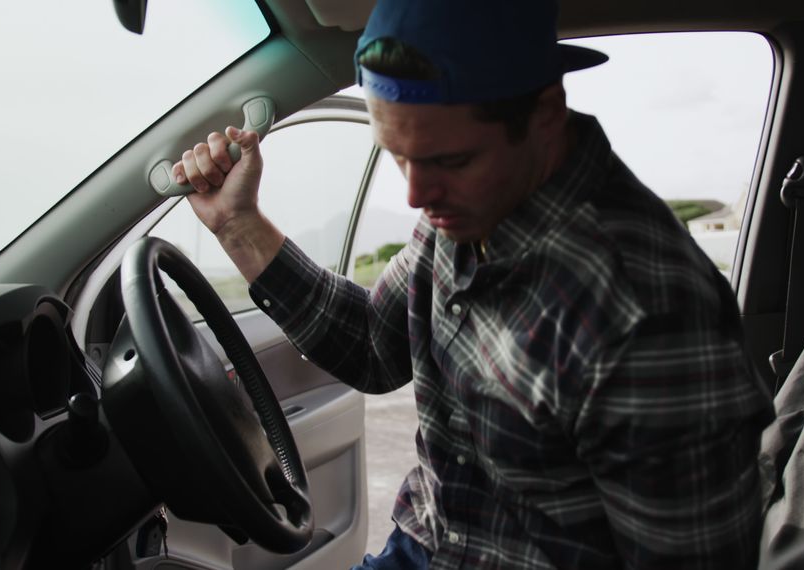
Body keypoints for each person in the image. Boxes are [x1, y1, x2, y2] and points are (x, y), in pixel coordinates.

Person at [173, 0, 773, 567]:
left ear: (543, 116)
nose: (417, 195)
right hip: (427, 546)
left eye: (449, 161)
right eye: (398, 156)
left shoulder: (650, 315)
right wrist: (237, 224)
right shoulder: (465, 209)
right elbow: (374, 347)